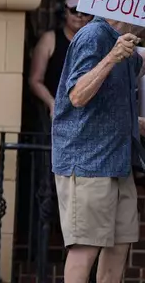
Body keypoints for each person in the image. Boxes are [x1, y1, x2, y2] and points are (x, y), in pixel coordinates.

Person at [52, 16, 145, 283]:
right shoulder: (93, 35)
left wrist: (134, 123)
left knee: (119, 247)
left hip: (119, 163)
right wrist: (112, 56)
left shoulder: (129, 47)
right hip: (88, 163)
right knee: (85, 249)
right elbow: (78, 95)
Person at [29, 0, 92, 124]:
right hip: (54, 117)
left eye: (85, 12)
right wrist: (52, 103)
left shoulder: (96, 43)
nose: (79, 15)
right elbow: (35, 81)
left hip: (87, 116)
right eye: (74, 10)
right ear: (65, 11)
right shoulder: (50, 39)